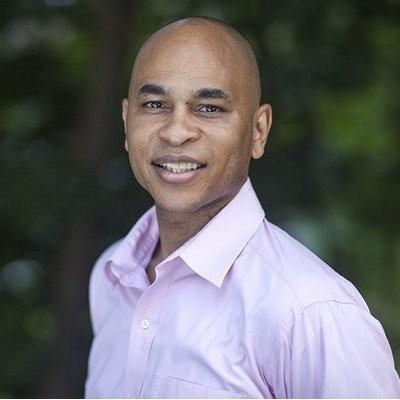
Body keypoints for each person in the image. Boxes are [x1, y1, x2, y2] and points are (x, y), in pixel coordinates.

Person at [85, 17, 400, 398]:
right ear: (126, 121)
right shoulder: (112, 276)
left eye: (209, 108)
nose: (176, 132)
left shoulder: (310, 312)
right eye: (154, 104)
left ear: (258, 131)